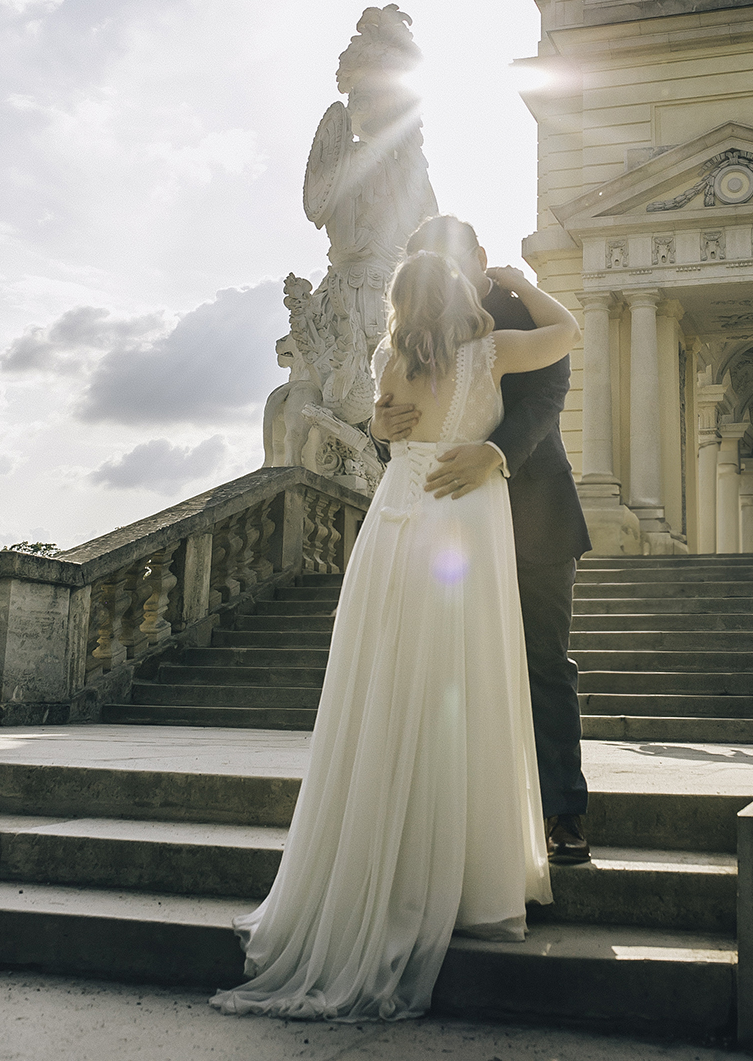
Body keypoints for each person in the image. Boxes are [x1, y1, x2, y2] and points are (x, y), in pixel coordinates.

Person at [210, 248, 580, 1023]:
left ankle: (385, 851)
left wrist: (384, 422)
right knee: (467, 681)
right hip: (464, 524)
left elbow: (385, 426)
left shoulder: (387, 357)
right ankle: (466, 870)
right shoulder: (490, 351)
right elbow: (568, 330)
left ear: (398, 304)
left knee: (387, 683)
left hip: (394, 528)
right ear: (459, 292)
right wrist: (522, 285)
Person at [373, 216, 591, 864]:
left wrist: (493, 453)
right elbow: (394, 417)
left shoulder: (513, 314)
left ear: (479, 257)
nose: (442, 270)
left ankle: (563, 813)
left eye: (451, 258)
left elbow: (548, 396)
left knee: (544, 663)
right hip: (444, 521)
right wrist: (378, 423)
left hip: (535, 512)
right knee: (446, 668)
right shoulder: (409, 332)